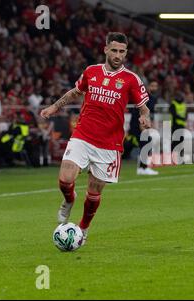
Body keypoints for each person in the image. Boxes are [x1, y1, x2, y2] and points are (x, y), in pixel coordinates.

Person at [40, 32, 151, 245]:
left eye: (122, 51)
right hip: (83, 134)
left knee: (94, 191)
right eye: (114, 50)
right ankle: (69, 200)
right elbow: (75, 92)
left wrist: (144, 118)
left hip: (110, 144)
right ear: (106, 49)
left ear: (125, 53)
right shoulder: (91, 72)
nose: (118, 55)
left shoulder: (131, 79)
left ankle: (83, 229)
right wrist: (55, 106)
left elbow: (143, 108)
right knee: (65, 178)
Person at [128, 80, 159, 175]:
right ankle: (143, 168)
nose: (154, 88)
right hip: (137, 124)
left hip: (140, 123)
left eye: (155, 86)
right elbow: (141, 112)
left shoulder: (152, 98)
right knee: (146, 143)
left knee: (144, 144)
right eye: (152, 85)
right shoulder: (146, 97)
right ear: (148, 87)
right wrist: (142, 127)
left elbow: (150, 114)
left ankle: (142, 168)